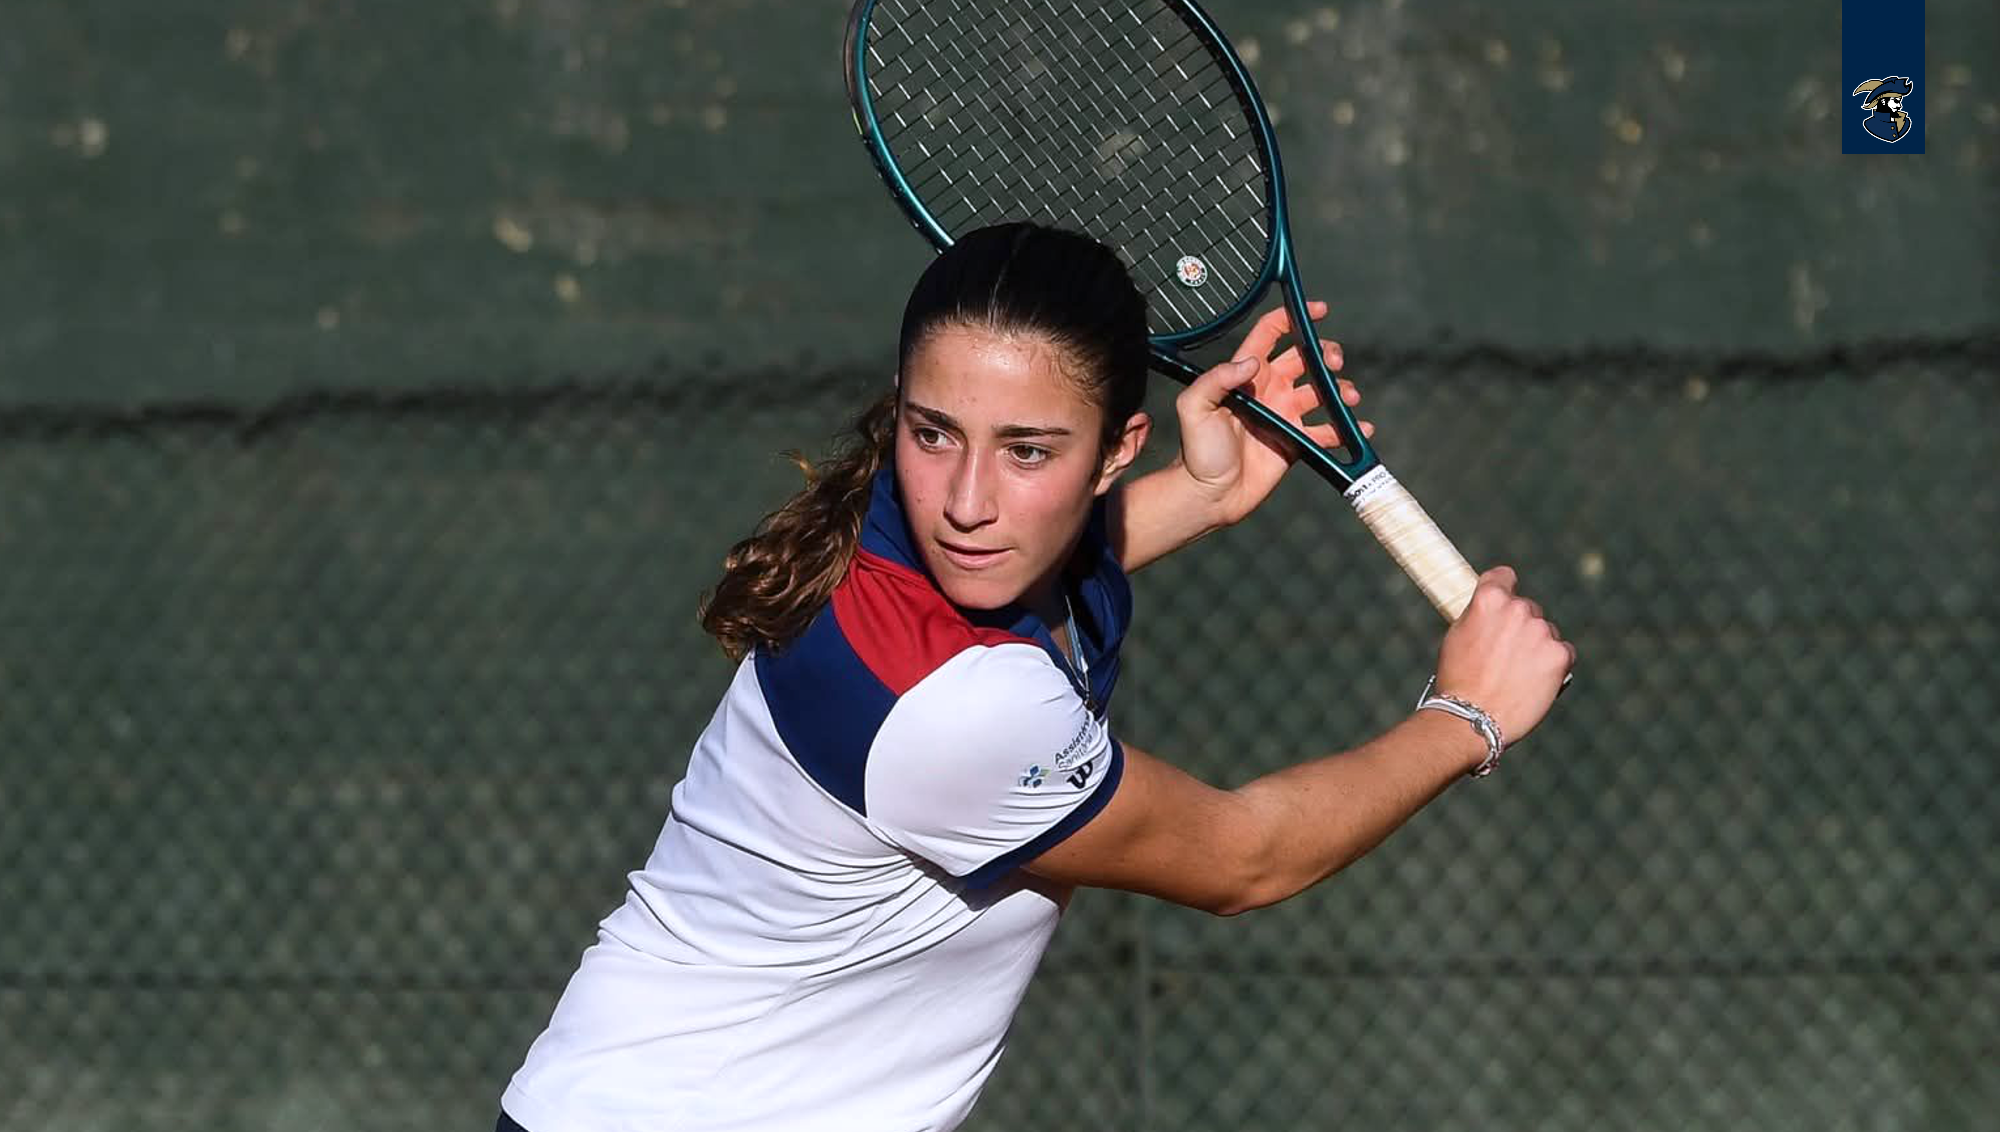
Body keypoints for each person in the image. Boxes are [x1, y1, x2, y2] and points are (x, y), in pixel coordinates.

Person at [496, 223, 1574, 1132]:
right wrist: (1465, 713)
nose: (968, 500)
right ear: (901, 412)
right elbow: (1243, 858)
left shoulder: (892, 525)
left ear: (1117, 450)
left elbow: (1024, 578)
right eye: (936, 434)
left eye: (1027, 451)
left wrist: (1202, 495)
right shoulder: (957, 711)